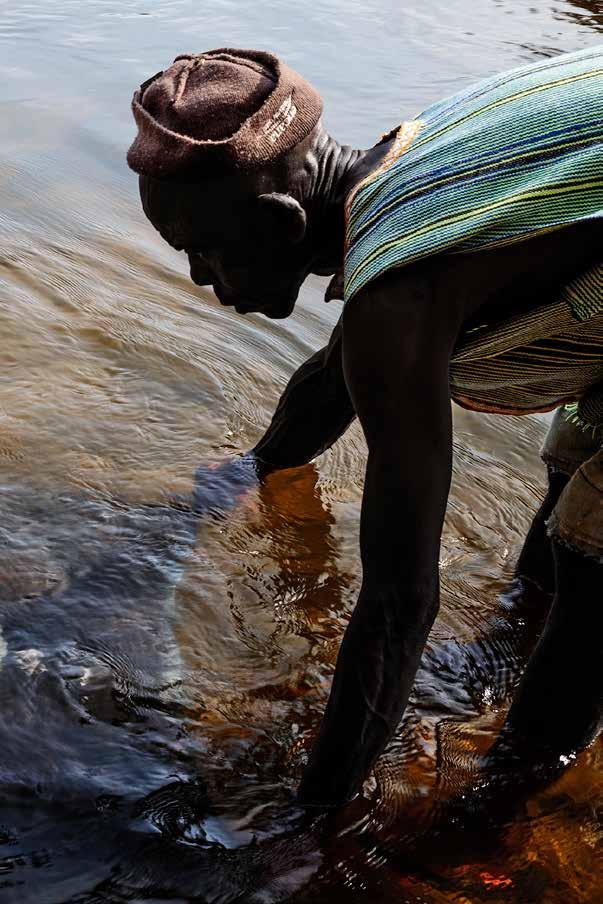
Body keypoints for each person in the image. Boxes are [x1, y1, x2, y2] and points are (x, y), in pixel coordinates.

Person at [127, 46, 602, 808]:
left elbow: (398, 602)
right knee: (564, 490)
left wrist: (308, 818)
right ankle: (503, 664)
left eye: (203, 251)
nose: (199, 278)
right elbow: (332, 381)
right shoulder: (402, 168)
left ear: (280, 224)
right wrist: (249, 474)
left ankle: (496, 817)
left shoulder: (398, 300)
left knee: (590, 556)